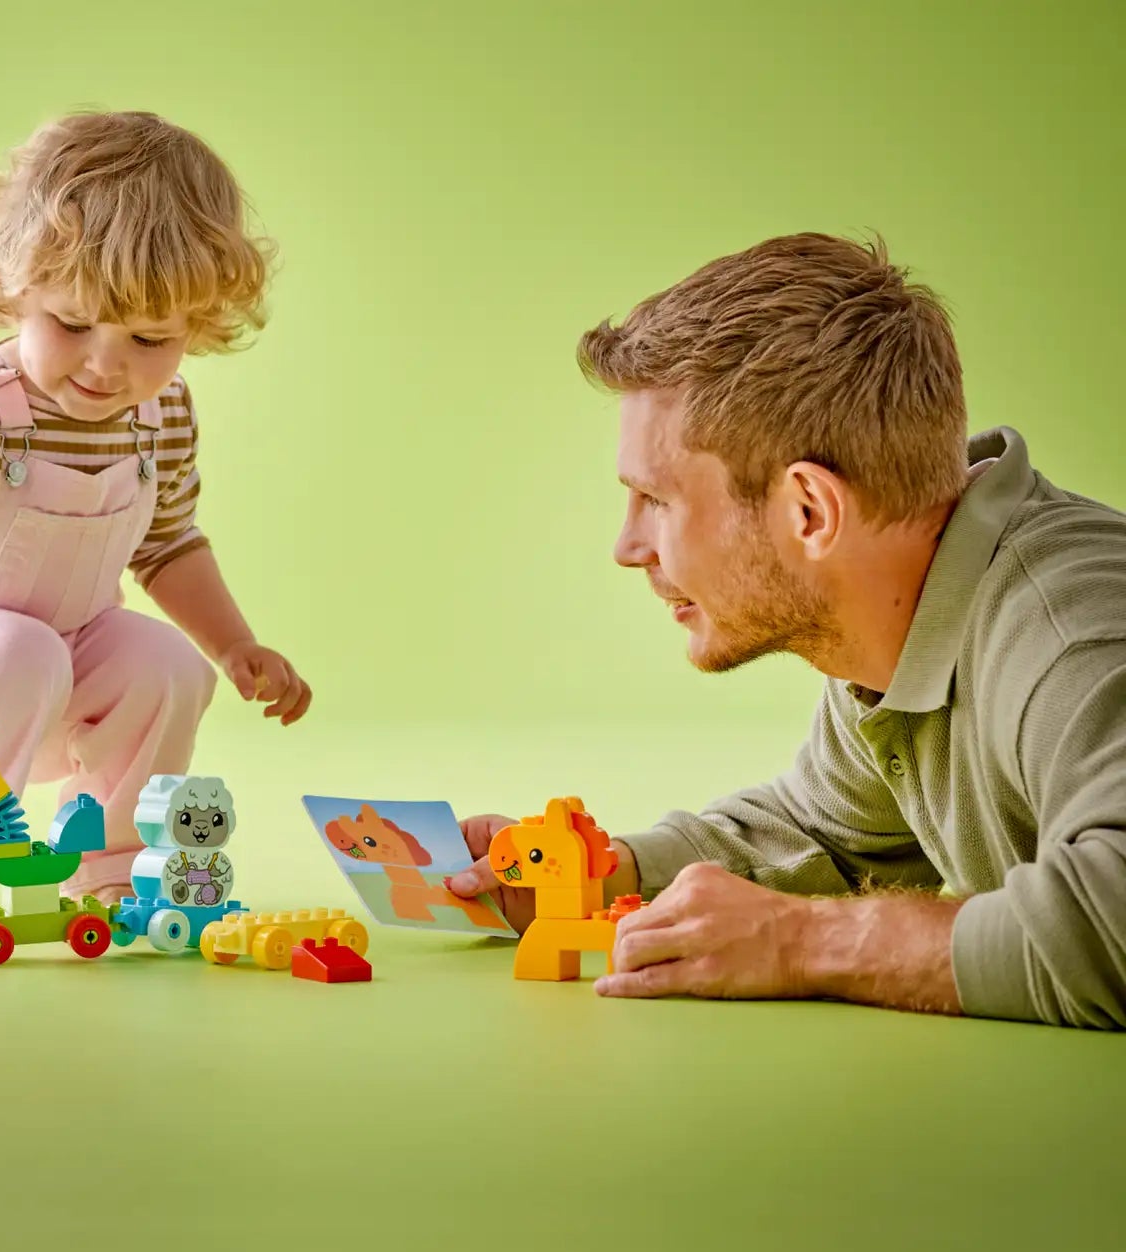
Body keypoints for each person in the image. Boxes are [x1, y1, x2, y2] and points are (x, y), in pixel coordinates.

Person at [447, 233, 1126, 1029]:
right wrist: (595, 877)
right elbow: (827, 837)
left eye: (656, 501)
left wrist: (805, 943)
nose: (628, 548)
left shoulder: (1069, 637)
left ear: (810, 511)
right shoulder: (902, 617)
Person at [0, 111, 310, 934]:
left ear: (199, 322)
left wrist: (235, 645)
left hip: (59, 660)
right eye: (72, 324)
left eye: (151, 337)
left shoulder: (162, 414)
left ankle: (111, 867)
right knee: (20, 650)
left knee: (169, 667)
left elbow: (170, 542)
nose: (107, 364)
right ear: (15, 288)